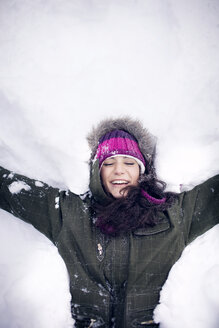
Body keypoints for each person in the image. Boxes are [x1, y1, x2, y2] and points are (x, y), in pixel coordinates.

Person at [0, 116, 218, 328]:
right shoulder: (71, 212)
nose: (119, 170)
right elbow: (11, 191)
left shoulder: (171, 215)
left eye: (129, 162)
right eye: (109, 162)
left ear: (143, 171)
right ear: (97, 170)